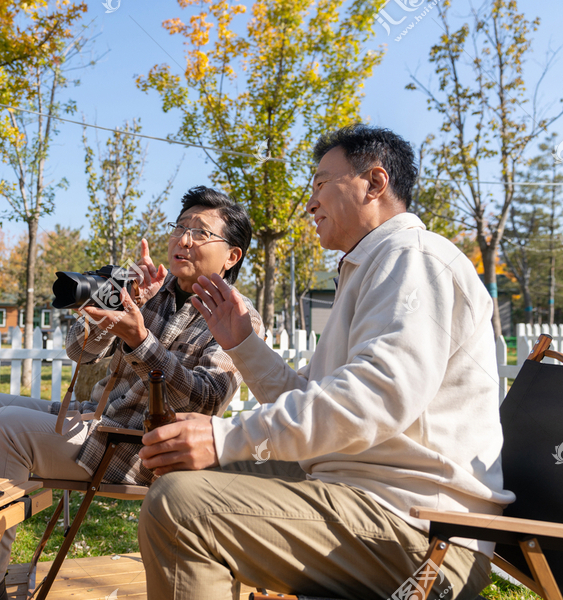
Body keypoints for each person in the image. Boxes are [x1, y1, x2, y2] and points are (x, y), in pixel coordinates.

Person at [137, 125, 516, 600]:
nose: (310, 203)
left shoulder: (413, 259)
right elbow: (318, 403)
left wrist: (226, 436)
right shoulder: (370, 267)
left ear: (374, 184)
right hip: (365, 500)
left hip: (424, 532)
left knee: (181, 507)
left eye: (321, 184)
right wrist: (244, 345)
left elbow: (375, 398)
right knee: (183, 483)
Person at [0, 186, 263, 600]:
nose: (183, 240)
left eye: (200, 233)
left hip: (136, 447)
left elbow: (205, 400)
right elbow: (79, 351)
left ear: (232, 256)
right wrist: (110, 308)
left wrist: (141, 340)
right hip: (95, 418)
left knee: (6, 426)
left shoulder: (238, 316)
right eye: (179, 227)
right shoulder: (152, 289)